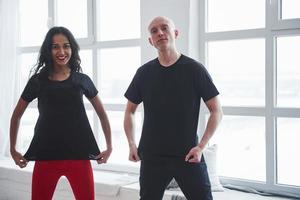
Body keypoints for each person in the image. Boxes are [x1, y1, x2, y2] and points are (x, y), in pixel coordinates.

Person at [123, 16, 223, 200]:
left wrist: (201, 147)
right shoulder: (143, 73)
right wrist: (131, 143)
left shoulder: (194, 69)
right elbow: (130, 111)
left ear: (175, 33)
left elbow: (216, 110)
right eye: (154, 31)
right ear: (150, 41)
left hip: (188, 154)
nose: (160, 33)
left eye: (164, 28)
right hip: (152, 157)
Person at [10, 26, 112, 200]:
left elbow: (102, 114)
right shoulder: (37, 82)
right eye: (55, 46)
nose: (62, 51)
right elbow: (16, 116)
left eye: (66, 46)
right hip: (46, 156)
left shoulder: (82, 80)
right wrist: (12, 149)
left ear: (72, 48)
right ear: (48, 50)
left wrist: (109, 147)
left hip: (79, 156)